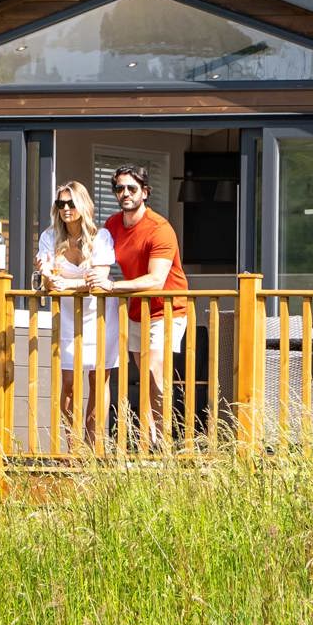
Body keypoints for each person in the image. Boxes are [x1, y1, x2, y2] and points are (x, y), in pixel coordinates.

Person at [86, 164, 188, 446]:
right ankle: (150, 437)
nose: (125, 193)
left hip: (166, 307)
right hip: (135, 309)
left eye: (132, 188)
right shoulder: (112, 225)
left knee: (154, 370)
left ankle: (158, 441)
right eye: (119, 188)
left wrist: (113, 287)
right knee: (142, 373)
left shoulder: (160, 229)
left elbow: (156, 280)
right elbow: (95, 258)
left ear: (145, 192)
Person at [36, 181, 119, 446]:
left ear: (83, 205)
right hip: (69, 317)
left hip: (100, 316)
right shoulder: (50, 237)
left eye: (71, 203)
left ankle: (93, 443)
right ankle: (73, 445)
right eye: (61, 204)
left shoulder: (101, 237)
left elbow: (99, 279)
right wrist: (47, 276)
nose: (66, 209)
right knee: (69, 381)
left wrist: (68, 284)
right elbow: (48, 280)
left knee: (98, 378)